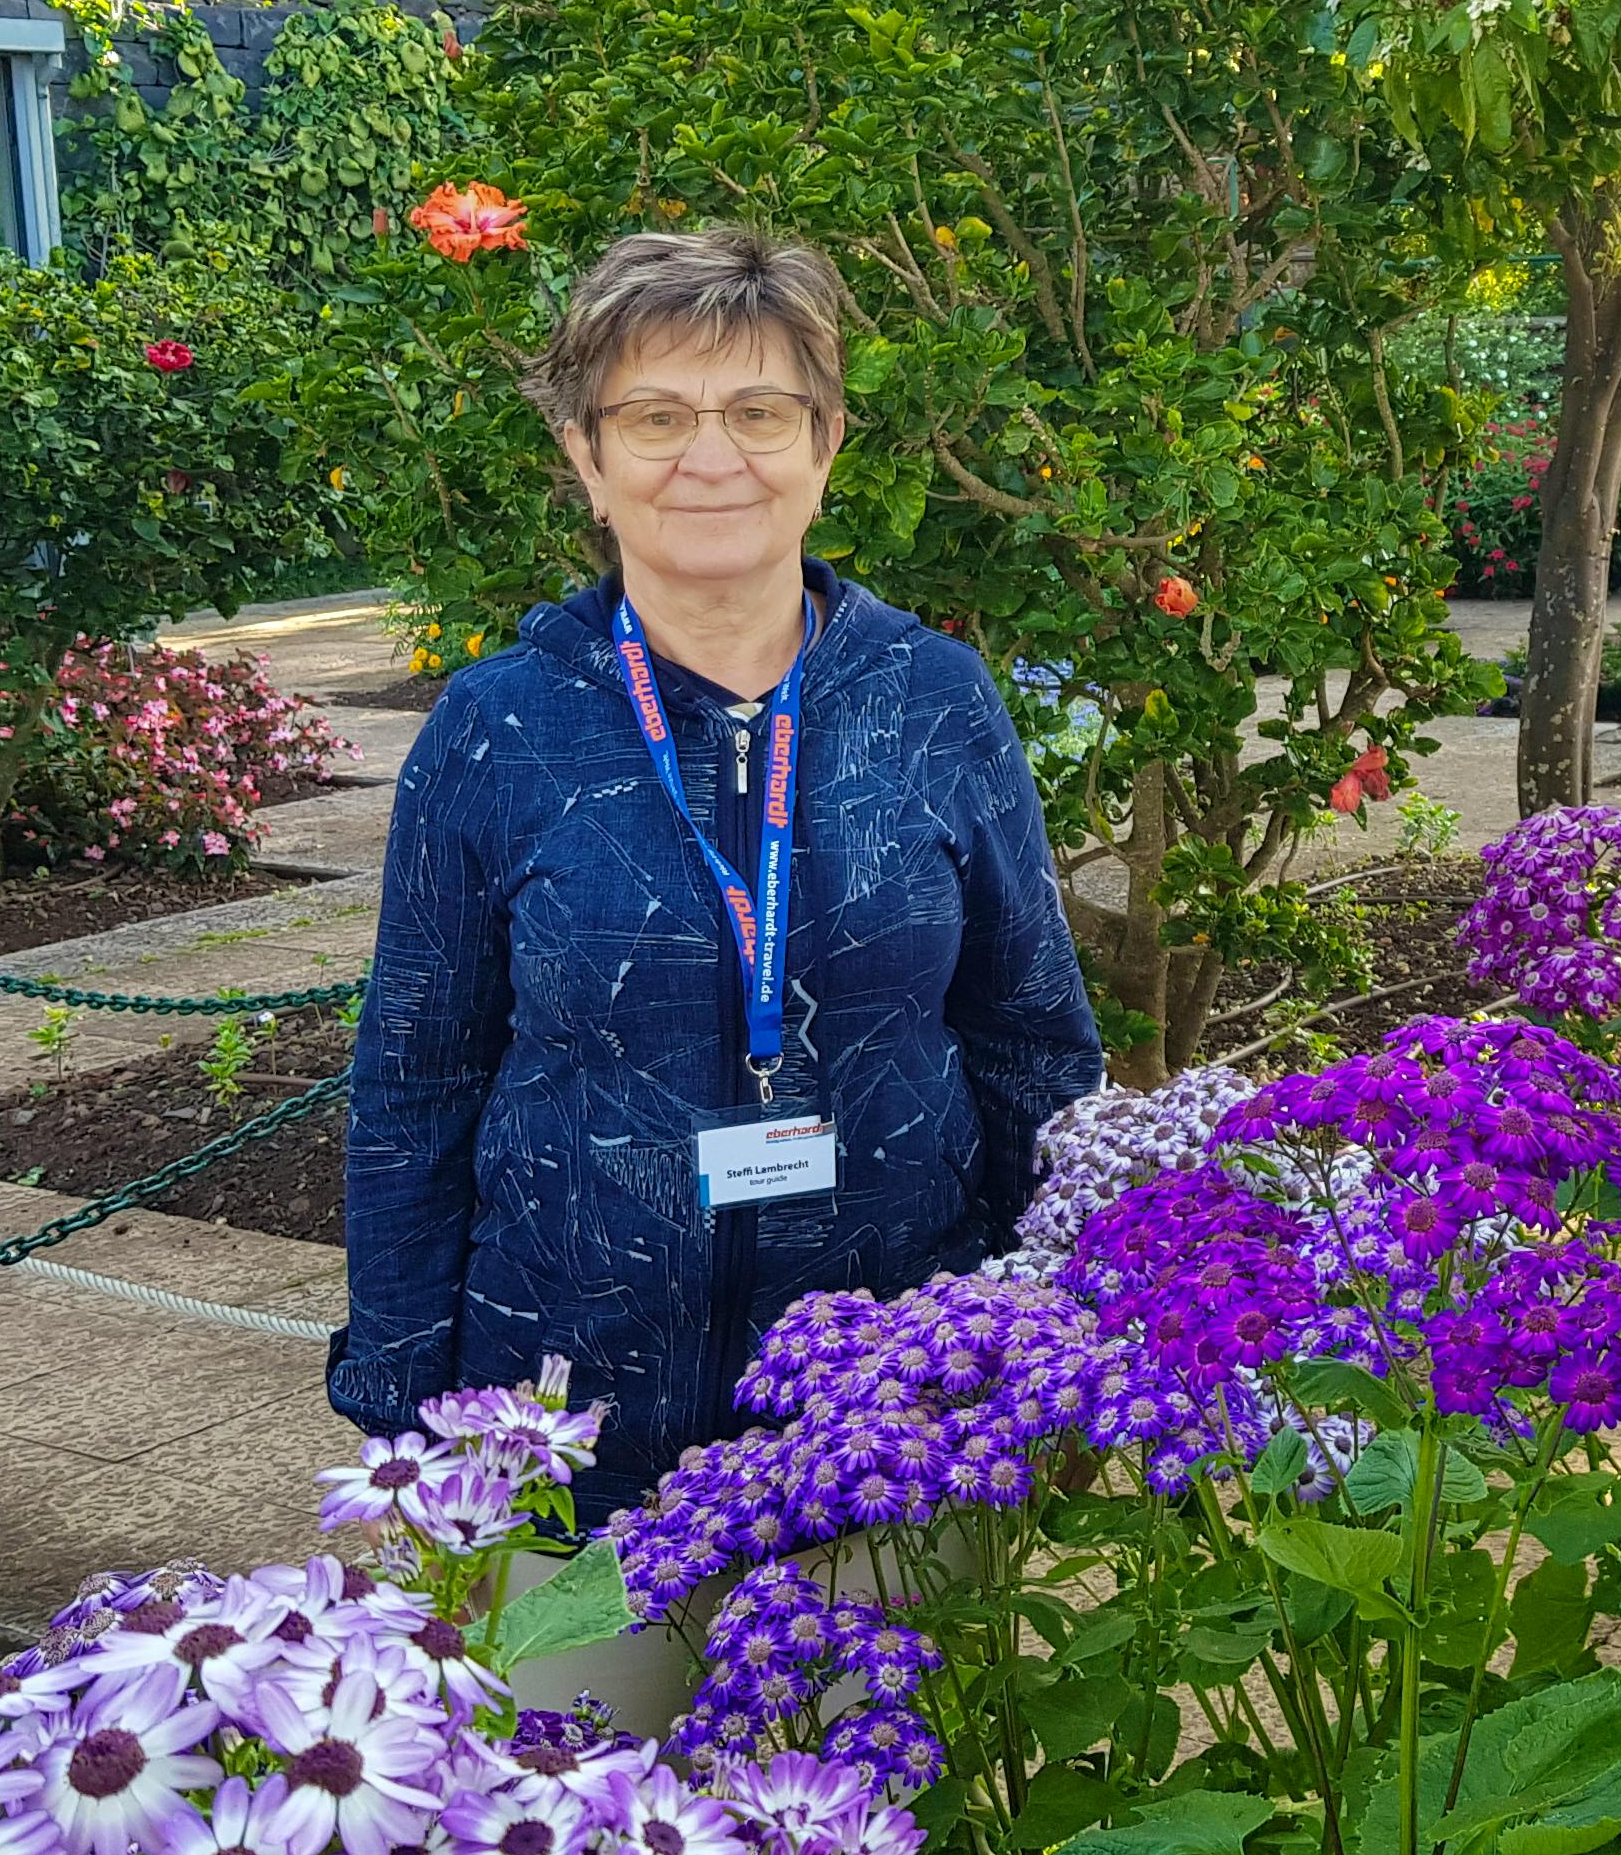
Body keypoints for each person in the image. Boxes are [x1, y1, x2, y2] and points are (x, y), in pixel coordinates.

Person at [333, 227, 1106, 1515]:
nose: (710, 457)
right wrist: (404, 1404)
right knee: (576, 1723)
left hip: (895, 1422)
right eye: (654, 416)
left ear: (825, 446)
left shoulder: (933, 702)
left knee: (873, 1713)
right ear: (586, 456)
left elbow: (1032, 1043)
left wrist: (1054, 1343)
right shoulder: (501, 726)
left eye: (759, 411)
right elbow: (416, 1084)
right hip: (558, 1424)